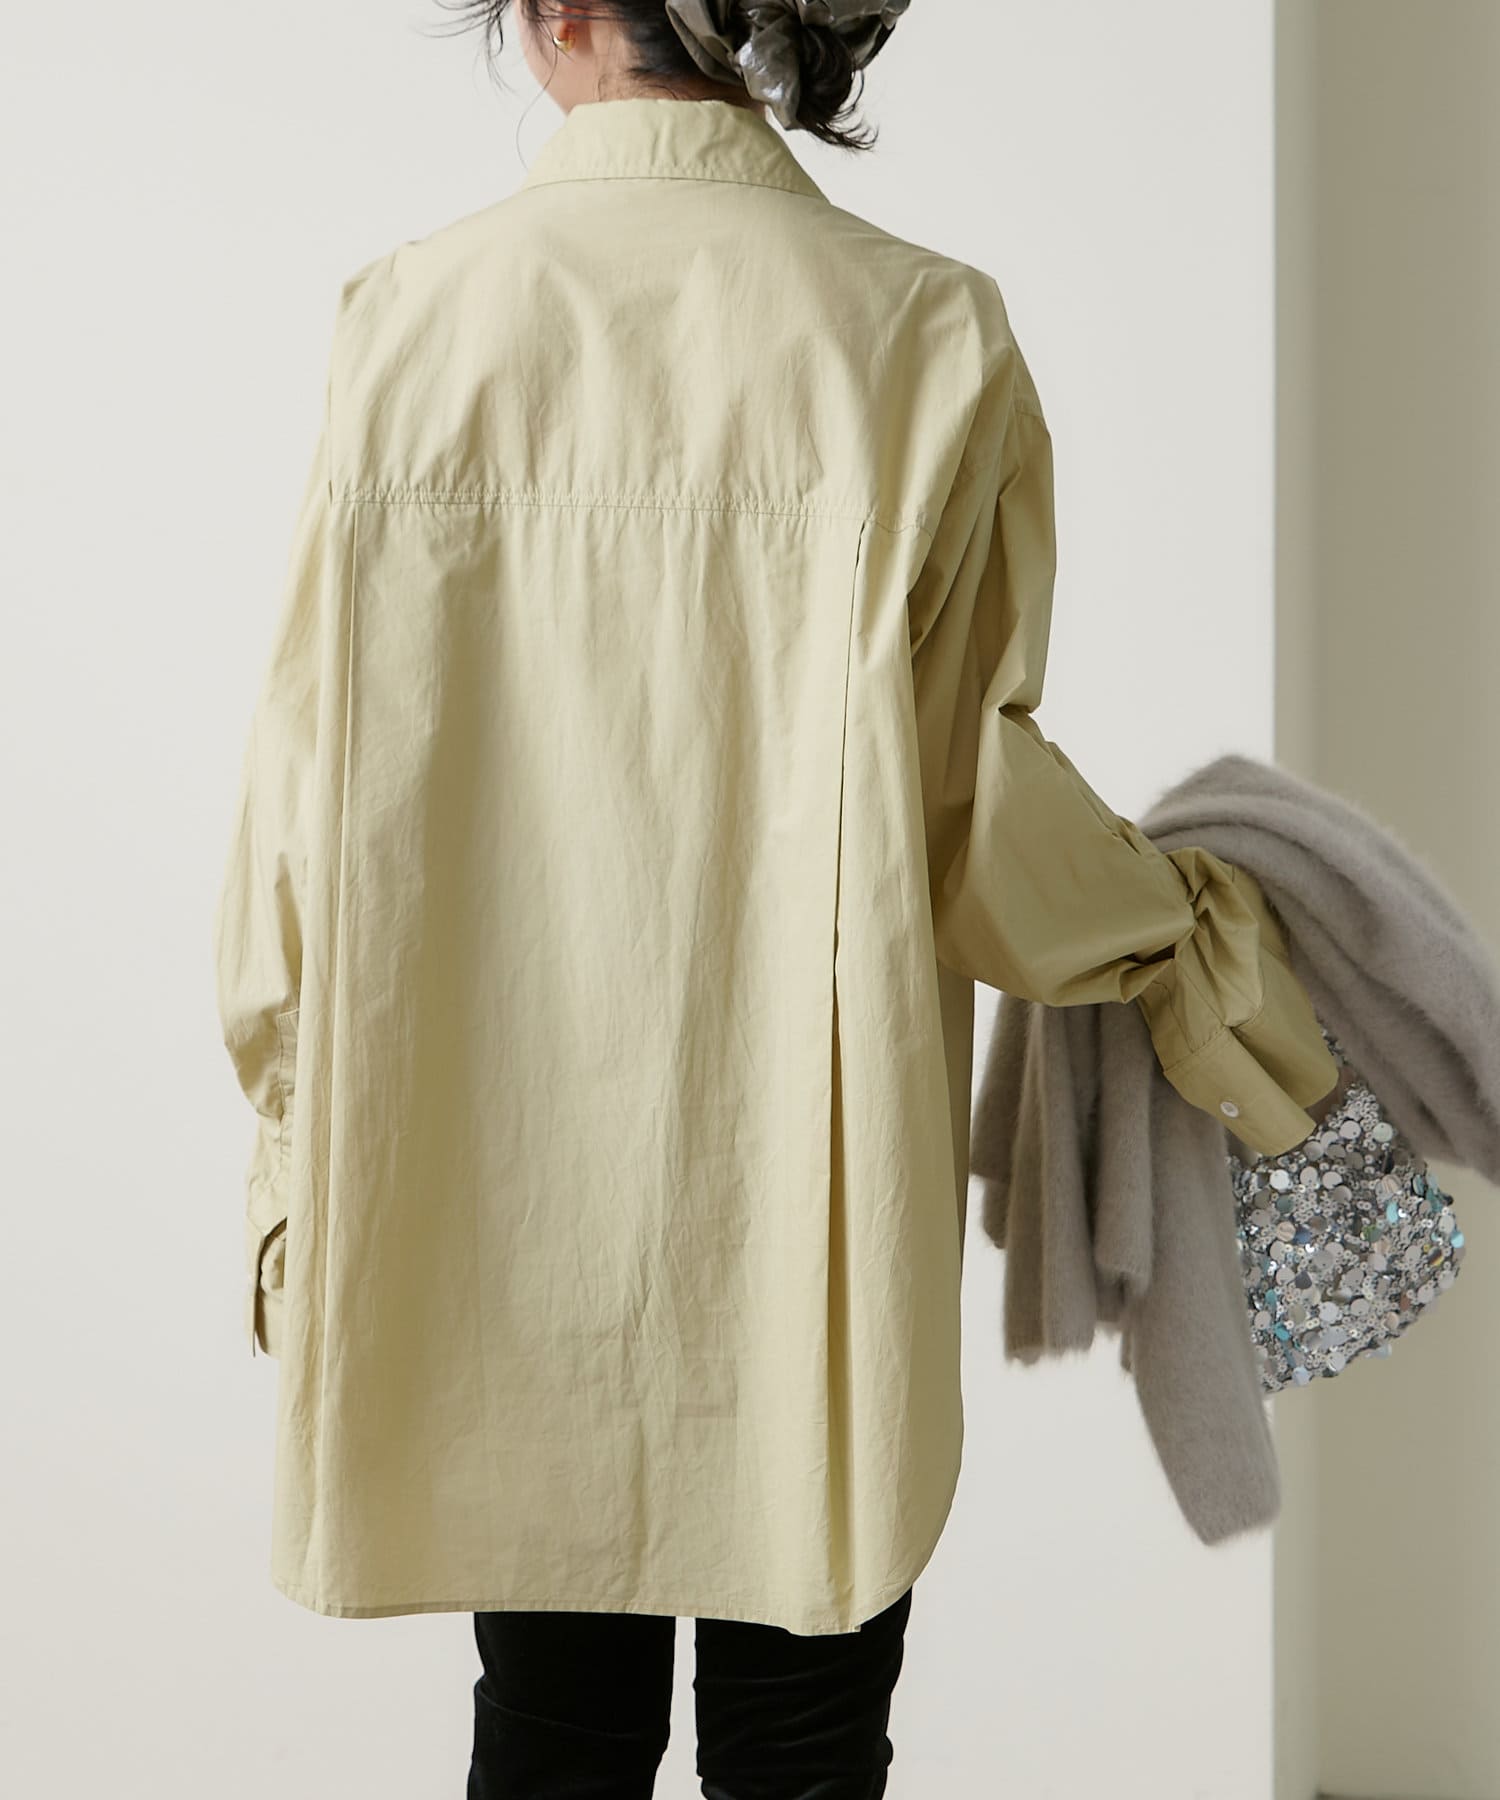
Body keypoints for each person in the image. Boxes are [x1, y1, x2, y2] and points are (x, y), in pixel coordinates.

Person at [211, 3, 1341, 1795]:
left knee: (552, 1728)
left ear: (564, 19)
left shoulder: (409, 321)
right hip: (804, 1195)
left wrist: (293, 1155)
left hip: (496, 1190)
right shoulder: (925, 331)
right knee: (804, 1742)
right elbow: (973, 819)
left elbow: (303, 812)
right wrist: (1196, 948)